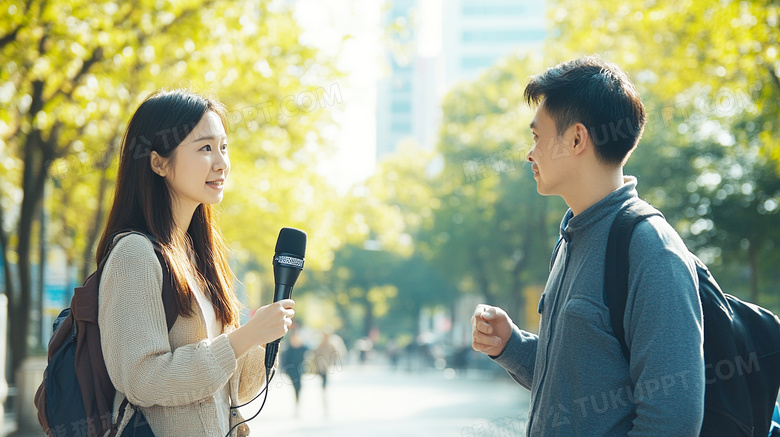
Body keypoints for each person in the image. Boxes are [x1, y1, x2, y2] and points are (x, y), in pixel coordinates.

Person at [471, 57, 705, 435]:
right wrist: (510, 345)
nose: (530, 153)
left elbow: (672, 418)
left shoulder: (651, 249)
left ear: (577, 139)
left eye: (536, 137)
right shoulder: (570, 240)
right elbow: (578, 388)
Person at [96, 89, 295, 436]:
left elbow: (234, 390)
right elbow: (142, 380)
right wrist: (242, 337)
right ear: (158, 162)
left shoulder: (198, 258)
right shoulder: (135, 254)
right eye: (205, 148)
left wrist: (264, 338)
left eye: (223, 147)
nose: (221, 163)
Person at [281, 330, 309, 413]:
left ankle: (298, 403)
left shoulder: (303, 348)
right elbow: (284, 361)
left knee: (299, 387)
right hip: (292, 372)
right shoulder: (288, 349)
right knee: (296, 387)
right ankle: (297, 403)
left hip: (300, 370)